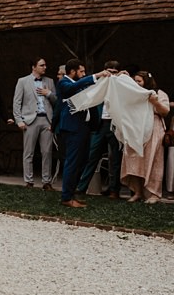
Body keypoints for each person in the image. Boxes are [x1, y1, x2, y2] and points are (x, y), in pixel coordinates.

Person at [56, 59, 111, 208]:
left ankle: (72, 193)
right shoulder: (64, 83)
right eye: (81, 71)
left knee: (82, 161)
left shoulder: (80, 84)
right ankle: (66, 197)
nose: (83, 74)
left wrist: (114, 77)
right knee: (72, 163)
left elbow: (96, 88)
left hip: (84, 128)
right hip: (73, 128)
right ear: (72, 71)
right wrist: (96, 75)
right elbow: (73, 88)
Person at [121, 71, 170, 204]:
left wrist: (155, 102)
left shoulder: (158, 93)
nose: (136, 83)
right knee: (134, 159)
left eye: (139, 81)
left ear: (147, 82)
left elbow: (165, 111)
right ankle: (138, 192)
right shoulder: (133, 94)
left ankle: (154, 193)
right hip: (136, 129)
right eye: (135, 81)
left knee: (153, 159)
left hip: (154, 127)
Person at [76, 60, 122, 198]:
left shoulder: (121, 85)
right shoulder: (97, 84)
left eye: (114, 72)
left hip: (114, 124)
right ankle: (82, 187)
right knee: (91, 156)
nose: (111, 75)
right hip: (100, 124)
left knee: (115, 158)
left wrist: (124, 77)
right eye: (109, 72)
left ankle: (114, 190)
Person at [12, 58, 57, 190]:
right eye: (42, 65)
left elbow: (56, 101)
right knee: (29, 152)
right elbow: (17, 102)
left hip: (47, 119)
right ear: (33, 67)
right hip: (30, 120)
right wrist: (19, 120)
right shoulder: (23, 81)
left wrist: (49, 93)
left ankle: (46, 181)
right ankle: (29, 181)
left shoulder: (49, 81)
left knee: (47, 152)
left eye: (45, 65)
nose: (45, 67)